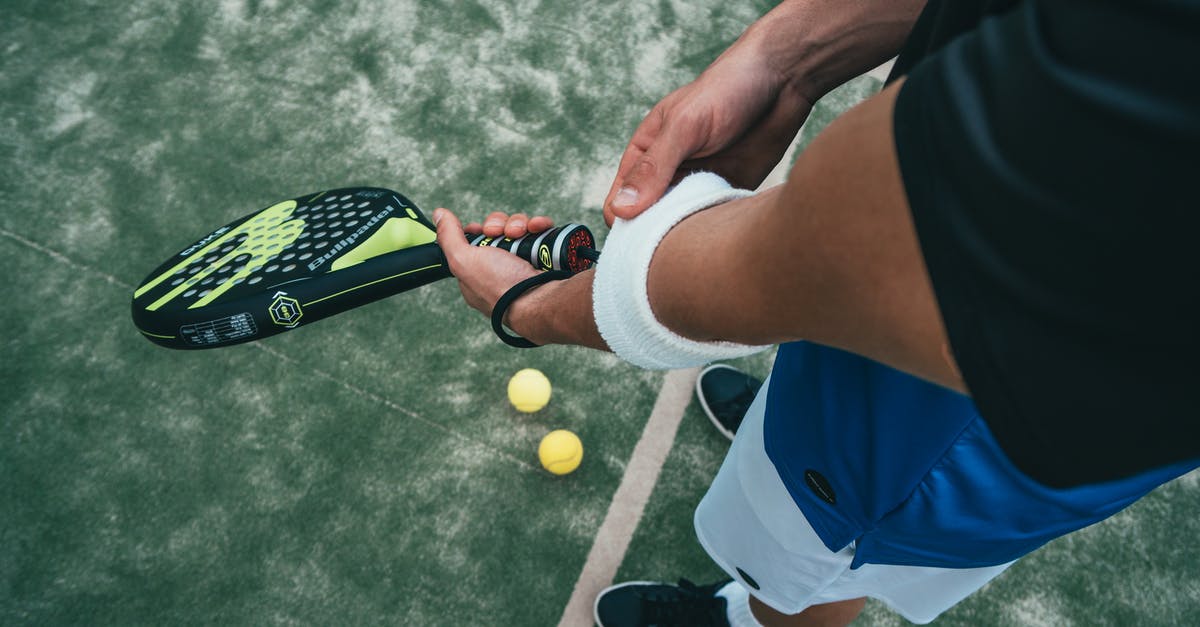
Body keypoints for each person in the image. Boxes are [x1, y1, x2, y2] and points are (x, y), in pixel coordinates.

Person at [432, 0, 1200, 625]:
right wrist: (786, 55)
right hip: (963, 326)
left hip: (949, 426)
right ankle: (789, 424)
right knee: (810, 424)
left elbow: (819, 261)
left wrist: (528, 308)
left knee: (819, 553)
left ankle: (754, 616)